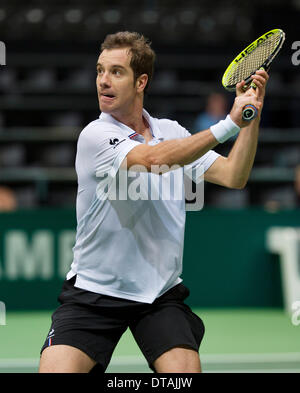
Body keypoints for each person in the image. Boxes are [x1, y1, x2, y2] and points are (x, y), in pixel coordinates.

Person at [39, 31, 268, 373]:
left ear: (141, 81)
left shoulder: (171, 131)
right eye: (100, 71)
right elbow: (152, 160)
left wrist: (250, 117)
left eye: (116, 72)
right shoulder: (95, 136)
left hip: (159, 294)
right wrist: (229, 124)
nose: (104, 80)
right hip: (95, 292)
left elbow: (234, 175)